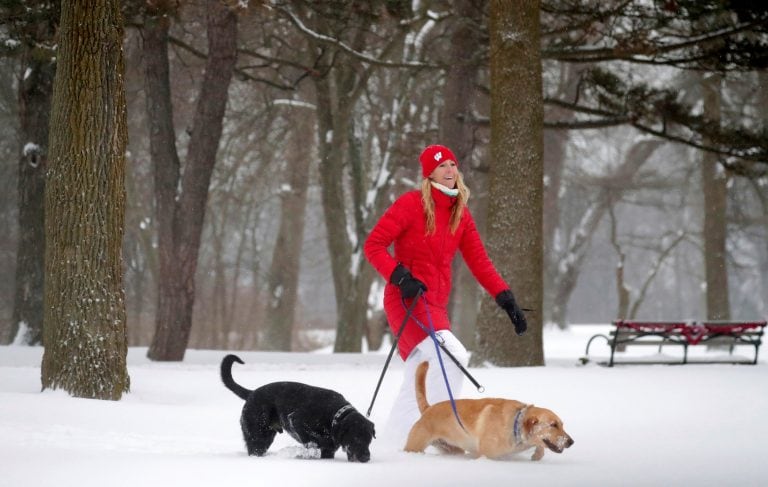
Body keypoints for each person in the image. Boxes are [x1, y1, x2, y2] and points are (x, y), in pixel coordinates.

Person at [363, 144, 528, 445]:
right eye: (442, 166)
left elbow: (479, 260)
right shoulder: (411, 204)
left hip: (435, 304)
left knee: (419, 376)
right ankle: (437, 432)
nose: (450, 170)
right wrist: (400, 276)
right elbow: (373, 245)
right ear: (429, 174)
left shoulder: (459, 214)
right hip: (407, 301)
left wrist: (505, 298)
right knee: (454, 356)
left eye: (452, 164)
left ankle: (393, 446)